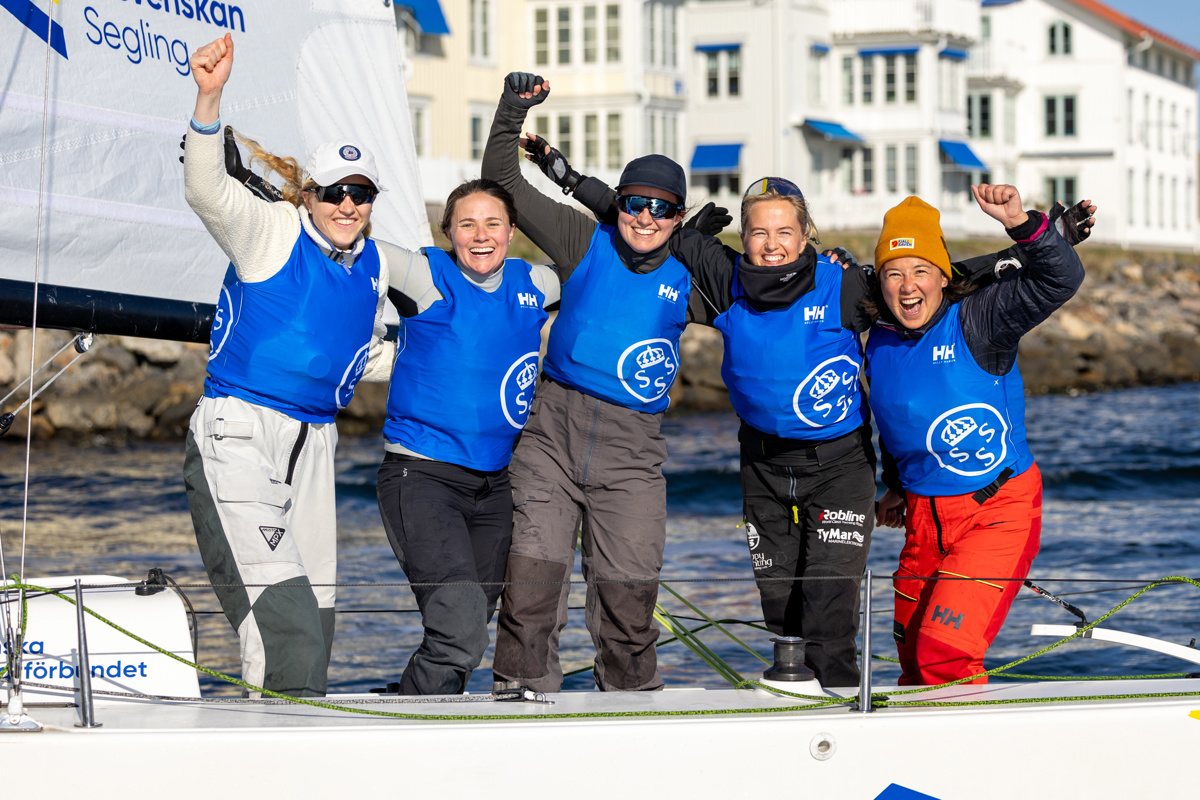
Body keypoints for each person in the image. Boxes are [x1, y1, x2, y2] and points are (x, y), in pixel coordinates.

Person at [480, 73, 731, 693]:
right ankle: (520, 692)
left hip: (632, 449)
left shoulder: (688, 274)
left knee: (628, 591)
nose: (646, 217)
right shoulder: (581, 238)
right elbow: (503, 181)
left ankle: (630, 701)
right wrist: (513, 110)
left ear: (677, 215)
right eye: (636, 203)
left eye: (663, 208)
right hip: (551, 435)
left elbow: (763, 297)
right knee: (533, 582)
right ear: (619, 203)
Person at [183, 34, 397, 697]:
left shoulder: (374, 265)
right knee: (290, 628)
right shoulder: (272, 233)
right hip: (238, 434)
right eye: (334, 192)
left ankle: (272, 739)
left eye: (361, 195)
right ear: (309, 194)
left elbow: (353, 356)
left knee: (316, 626)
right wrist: (209, 98)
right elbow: (207, 191)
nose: (348, 207)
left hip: (315, 445)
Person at [868, 186, 1089, 686]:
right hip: (924, 516)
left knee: (942, 654)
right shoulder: (878, 336)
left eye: (922, 271)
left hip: (997, 509)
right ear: (879, 282)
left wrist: (1021, 223)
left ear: (943, 277)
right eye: (895, 273)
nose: (908, 287)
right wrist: (897, 486)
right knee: (910, 655)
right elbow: (896, 415)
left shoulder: (979, 319)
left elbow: (1061, 278)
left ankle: (966, 762)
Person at [376, 179, 558, 695]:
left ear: (512, 231)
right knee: (458, 626)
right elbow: (349, 242)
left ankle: (419, 710)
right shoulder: (425, 275)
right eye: (466, 225)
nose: (481, 236)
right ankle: (411, 725)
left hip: (494, 488)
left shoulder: (536, 285)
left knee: (467, 627)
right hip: (423, 478)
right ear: (448, 233)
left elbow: (598, 266)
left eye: (493, 223)